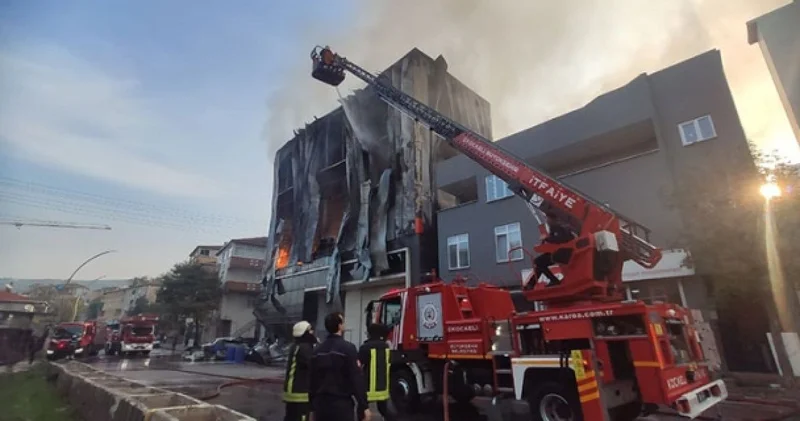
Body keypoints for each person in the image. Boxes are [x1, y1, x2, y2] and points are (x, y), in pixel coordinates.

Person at [309, 312, 371, 421]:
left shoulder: (317, 351)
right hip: (341, 404)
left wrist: (311, 407)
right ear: (340, 326)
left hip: (320, 405)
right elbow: (356, 378)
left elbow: (312, 380)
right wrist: (363, 405)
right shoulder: (348, 348)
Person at [283, 321, 317, 421]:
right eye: (310, 330)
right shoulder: (304, 348)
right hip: (300, 393)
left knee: (290, 417)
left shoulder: (296, 346)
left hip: (292, 392)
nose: (312, 332)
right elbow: (313, 365)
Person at [533, 212, 576, 287]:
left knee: (539, 262)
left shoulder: (558, 227)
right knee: (539, 262)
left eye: (547, 219)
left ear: (553, 219)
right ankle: (531, 284)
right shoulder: (557, 228)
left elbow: (559, 239)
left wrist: (546, 238)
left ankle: (554, 281)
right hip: (561, 252)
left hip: (563, 253)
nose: (547, 221)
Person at [358, 324, 391, 420]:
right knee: (384, 410)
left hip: (368, 386)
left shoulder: (365, 347)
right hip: (383, 386)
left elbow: (359, 364)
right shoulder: (386, 346)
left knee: (362, 409)